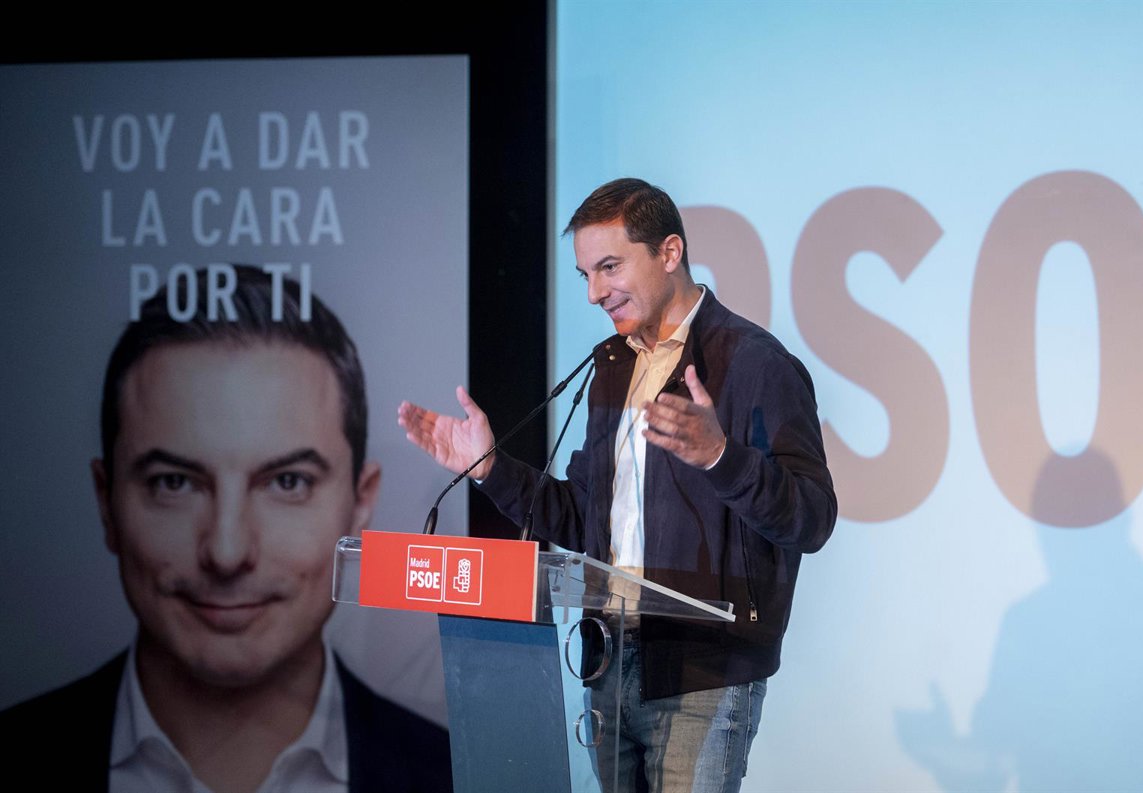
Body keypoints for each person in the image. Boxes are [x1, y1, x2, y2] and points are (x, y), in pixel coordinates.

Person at [398, 178, 837, 792]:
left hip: (702, 671)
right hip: (606, 658)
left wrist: (721, 456)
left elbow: (812, 518)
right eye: (585, 274)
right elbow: (583, 518)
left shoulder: (754, 363)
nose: (594, 292)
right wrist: (491, 468)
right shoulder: (612, 366)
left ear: (669, 252)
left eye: (609, 267)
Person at [0, 266, 452, 793]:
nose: (227, 551)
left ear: (360, 503)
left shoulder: (451, 779)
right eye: (174, 482)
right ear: (107, 503)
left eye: (286, 481)